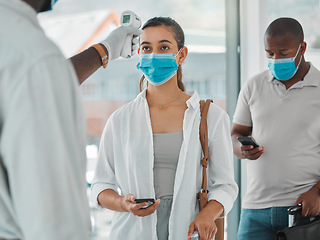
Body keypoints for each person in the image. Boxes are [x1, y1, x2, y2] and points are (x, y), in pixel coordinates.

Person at [0, 0, 142, 239]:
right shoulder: (35, 56)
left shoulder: (19, 49)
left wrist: (105, 49)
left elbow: (42, 81)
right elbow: (56, 223)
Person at [91, 17, 238, 240]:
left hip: (187, 231)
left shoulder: (211, 117)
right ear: (139, 54)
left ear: (181, 55)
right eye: (146, 48)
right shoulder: (120, 120)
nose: (154, 55)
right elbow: (100, 186)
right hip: (132, 232)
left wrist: (208, 215)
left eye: (164, 47)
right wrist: (123, 203)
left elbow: (226, 186)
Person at [232, 17, 320, 240]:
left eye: (283, 53)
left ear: (302, 48)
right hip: (254, 210)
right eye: (269, 54)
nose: (275, 59)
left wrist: (318, 192)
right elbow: (237, 132)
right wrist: (239, 148)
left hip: (305, 209)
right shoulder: (253, 85)